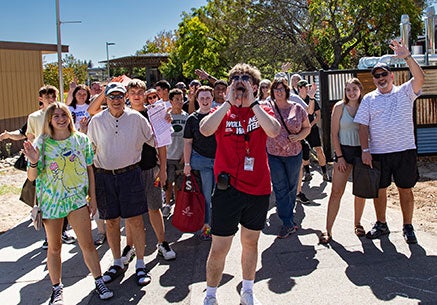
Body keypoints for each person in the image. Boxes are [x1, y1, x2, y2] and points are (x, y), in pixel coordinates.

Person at [199, 63, 281, 305]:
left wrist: (253, 102)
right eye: (235, 78)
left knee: (250, 242)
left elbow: (274, 131)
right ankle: (211, 294)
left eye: (245, 79)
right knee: (220, 246)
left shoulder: (263, 108)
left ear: (255, 86)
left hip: (258, 188)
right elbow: (205, 130)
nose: (240, 82)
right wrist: (227, 101)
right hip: (227, 191)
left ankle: (247, 290)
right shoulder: (222, 111)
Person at [22, 102, 113, 304]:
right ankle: (57, 289)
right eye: (56, 116)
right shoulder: (41, 142)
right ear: (49, 120)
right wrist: (34, 160)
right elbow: (31, 177)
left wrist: (93, 198)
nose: (61, 119)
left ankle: (99, 281)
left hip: (77, 201)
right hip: (51, 203)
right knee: (54, 247)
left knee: (87, 244)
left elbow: (90, 170)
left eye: (64, 115)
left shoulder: (81, 140)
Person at [354, 40, 425, 244]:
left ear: (391, 76)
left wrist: (407, 57)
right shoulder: (368, 99)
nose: (381, 78)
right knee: (380, 189)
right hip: (379, 152)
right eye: (377, 76)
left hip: (404, 151)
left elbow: (420, 78)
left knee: (405, 189)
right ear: (374, 79)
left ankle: (408, 226)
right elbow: (362, 126)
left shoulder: (405, 92)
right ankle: (381, 223)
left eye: (384, 74)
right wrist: (365, 150)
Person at [87, 82, 155, 286]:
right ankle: (117, 262)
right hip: (104, 176)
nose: (116, 100)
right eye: (111, 96)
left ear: (124, 97)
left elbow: (153, 140)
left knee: (135, 221)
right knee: (111, 221)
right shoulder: (96, 121)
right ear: (105, 99)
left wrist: (159, 166)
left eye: (119, 96)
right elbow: (90, 151)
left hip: (130, 174)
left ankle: (141, 264)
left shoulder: (136, 118)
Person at [123, 79, 176, 261]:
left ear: (145, 94)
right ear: (127, 95)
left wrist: (162, 170)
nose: (136, 96)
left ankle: (162, 242)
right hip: (128, 170)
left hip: (149, 167)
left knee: (154, 207)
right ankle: (129, 247)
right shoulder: (122, 114)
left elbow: (161, 144)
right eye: (133, 92)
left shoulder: (153, 113)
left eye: (140, 92)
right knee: (131, 212)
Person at [26, 85, 76, 248]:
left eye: (53, 96)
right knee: (47, 199)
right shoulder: (34, 117)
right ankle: (50, 236)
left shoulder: (61, 112)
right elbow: (31, 136)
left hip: (61, 159)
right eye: (46, 97)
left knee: (65, 193)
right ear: (41, 98)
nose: (50, 99)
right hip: (43, 161)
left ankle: (63, 231)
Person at [319, 78, 366, 244]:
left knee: (361, 191)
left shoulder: (365, 105)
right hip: (343, 152)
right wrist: (339, 157)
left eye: (354, 89)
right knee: (336, 192)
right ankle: (328, 229)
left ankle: (358, 223)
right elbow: (334, 134)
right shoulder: (339, 107)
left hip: (362, 152)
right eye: (348, 90)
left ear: (360, 89)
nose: (351, 92)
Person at [267, 77, 311, 238]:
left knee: (292, 187)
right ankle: (287, 221)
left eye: (281, 89)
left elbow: (307, 128)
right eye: (275, 89)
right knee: (280, 186)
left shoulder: (298, 108)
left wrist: (299, 136)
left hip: (294, 154)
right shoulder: (267, 108)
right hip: (274, 154)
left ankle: (288, 217)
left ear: (287, 91)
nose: (279, 92)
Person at [183, 86, 216, 240]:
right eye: (201, 98)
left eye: (208, 97)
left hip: (221, 161)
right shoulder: (192, 119)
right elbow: (188, 142)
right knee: (207, 197)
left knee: (221, 196)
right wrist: (187, 164)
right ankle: (206, 227)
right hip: (202, 161)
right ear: (196, 100)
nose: (205, 101)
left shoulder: (219, 115)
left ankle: (222, 227)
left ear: (213, 98)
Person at [297, 79, 331, 182]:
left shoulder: (312, 99)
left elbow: (317, 115)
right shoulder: (296, 100)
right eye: (306, 87)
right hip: (301, 130)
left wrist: (310, 125)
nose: (308, 89)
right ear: (300, 88)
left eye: (308, 87)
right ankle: (307, 173)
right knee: (304, 151)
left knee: (319, 149)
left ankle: (325, 172)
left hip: (312, 129)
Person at [162, 88, 188, 218]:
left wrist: (185, 155)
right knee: (168, 183)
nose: (180, 101)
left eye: (182, 98)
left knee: (179, 183)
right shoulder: (166, 116)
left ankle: (178, 205)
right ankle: (167, 204)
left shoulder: (186, 116)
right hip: (168, 155)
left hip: (181, 156)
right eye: (177, 99)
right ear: (171, 101)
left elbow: (189, 138)